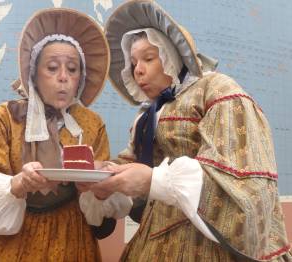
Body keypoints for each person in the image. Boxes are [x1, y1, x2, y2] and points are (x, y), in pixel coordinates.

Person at [79, 1, 292, 261]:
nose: (138, 70)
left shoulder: (215, 89)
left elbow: (239, 178)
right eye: (133, 63)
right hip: (156, 237)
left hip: (205, 242)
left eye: (148, 58)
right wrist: (106, 176)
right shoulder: (147, 116)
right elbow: (137, 163)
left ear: (171, 55)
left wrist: (153, 180)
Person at [0, 7, 118, 262]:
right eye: (52, 67)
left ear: (81, 77)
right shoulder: (6, 118)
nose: (63, 78)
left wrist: (97, 185)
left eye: (72, 69)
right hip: (8, 239)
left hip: (69, 239)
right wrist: (17, 184)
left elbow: (101, 206)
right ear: (33, 73)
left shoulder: (91, 125)